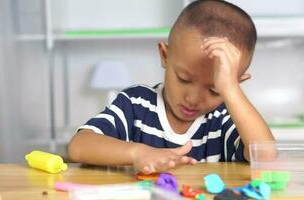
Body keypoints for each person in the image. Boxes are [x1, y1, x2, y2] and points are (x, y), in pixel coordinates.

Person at [68, 0, 274, 174]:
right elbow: (79, 146)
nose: (193, 98)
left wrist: (231, 90)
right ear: (165, 56)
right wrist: (137, 153)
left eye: (214, 90)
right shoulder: (135, 103)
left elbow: (266, 156)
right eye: (184, 79)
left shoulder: (225, 117)